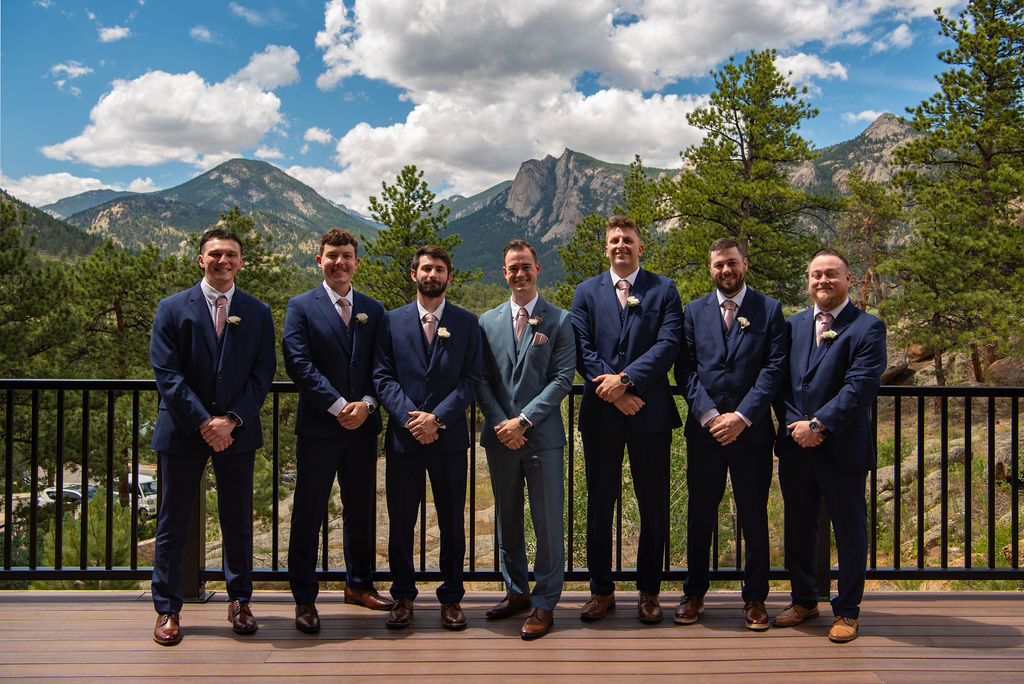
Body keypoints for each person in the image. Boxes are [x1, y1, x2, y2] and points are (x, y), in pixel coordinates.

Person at [149, 227, 275, 646]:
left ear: (241, 261)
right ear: (200, 260)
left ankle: (240, 600)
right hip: (184, 430)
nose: (224, 261)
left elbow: (263, 373)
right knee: (173, 522)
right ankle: (167, 608)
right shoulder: (171, 308)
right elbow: (167, 374)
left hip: (237, 432)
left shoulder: (258, 311)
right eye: (216, 254)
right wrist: (205, 421)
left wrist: (232, 420)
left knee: (237, 520)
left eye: (232, 254)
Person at [570, 215, 683, 624]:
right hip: (602, 415)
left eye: (628, 240)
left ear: (640, 248)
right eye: (614, 240)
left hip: (649, 414)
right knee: (600, 506)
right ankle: (601, 590)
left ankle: (649, 592)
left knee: (653, 506)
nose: (621, 245)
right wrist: (615, 394)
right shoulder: (585, 292)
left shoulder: (664, 289)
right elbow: (581, 348)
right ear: (607, 248)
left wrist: (628, 381)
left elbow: (670, 343)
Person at [772, 248, 887, 643]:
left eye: (831, 274)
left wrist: (818, 425)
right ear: (809, 281)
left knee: (849, 529)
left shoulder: (867, 327)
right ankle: (804, 600)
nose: (823, 281)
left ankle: (849, 611)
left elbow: (861, 387)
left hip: (842, 448)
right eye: (816, 275)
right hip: (795, 447)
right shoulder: (792, 326)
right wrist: (795, 426)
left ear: (848, 279)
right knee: (799, 527)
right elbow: (780, 383)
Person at [282, 228, 391, 635]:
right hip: (319, 427)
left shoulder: (373, 309)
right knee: (309, 512)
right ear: (319, 261)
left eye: (346, 256)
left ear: (356, 262)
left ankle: (359, 585)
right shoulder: (300, 307)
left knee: (361, 509)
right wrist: (336, 405)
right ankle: (305, 597)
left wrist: (366, 403)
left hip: (363, 426)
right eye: (332, 256)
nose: (339, 262)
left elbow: (383, 366)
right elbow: (298, 363)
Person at [673, 238, 786, 630]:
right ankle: (694, 593)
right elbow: (685, 369)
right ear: (711, 268)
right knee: (700, 514)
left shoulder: (769, 310)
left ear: (745, 264)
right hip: (704, 434)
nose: (726, 270)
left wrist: (741, 416)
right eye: (719, 264)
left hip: (750, 434)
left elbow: (773, 369)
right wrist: (707, 414)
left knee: (753, 516)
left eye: (732, 263)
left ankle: (755, 598)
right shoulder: (693, 311)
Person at [373, 245, 482, 630]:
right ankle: (402, 596)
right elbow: (382, 377)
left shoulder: (468, 323)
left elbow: (472, 380)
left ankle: (451, 597)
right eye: (425, 268)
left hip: (449, 440)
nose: (431, 274)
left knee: (453, 521)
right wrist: (410, 419)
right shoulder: (389, 321)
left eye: (439, 269)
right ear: (413, 274)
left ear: (448, 276)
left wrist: (438, 418)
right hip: (404, 441)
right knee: (401, 521)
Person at [477, 239, 575, 639]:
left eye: (526, 267)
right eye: (512, 268)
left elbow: (563, 378)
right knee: (508, 520)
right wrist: (504, 423)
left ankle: (545, 601)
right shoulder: (486, 322)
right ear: (504, 273)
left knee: (548, 522)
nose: (520, 274)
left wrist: (524, 420)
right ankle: (516, 591)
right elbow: (480, 379)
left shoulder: (560, 320)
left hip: (543, 437)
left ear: (538, 269)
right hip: (501, 437)